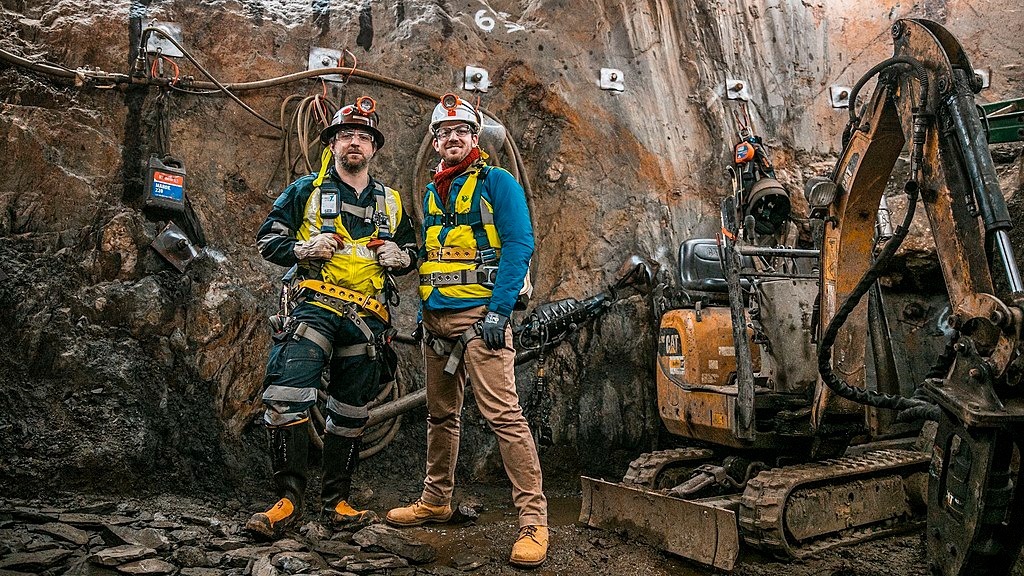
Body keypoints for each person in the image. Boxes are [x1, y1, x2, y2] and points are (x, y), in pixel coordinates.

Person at [385, 95, 548, 568]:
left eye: (461, 131)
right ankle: (436, 500)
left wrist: (499, 312)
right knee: (441, 416)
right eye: (443, 132)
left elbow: (520, 244)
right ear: (435, 143)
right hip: (437, 322)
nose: (452, 138)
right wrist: (422, 312)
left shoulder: (497, 182)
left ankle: (534, 522)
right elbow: (436, 258)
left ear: (476, 139)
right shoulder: (434, 191)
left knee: (505, 417)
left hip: (481, 321)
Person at [247, 96, 417, 538]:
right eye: (346, 136)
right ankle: (287, 500)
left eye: (363, 136)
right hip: (315, 307)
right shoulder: (305, 190)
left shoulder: (393, 201)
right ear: (333, 144)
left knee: (350, 412)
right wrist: (301, 250)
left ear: (374, 148)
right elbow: (268, 239)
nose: (354, 143)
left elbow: (414, 250)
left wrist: (404, 257)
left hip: (368, 318)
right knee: (286, 397)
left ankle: (336, 502)